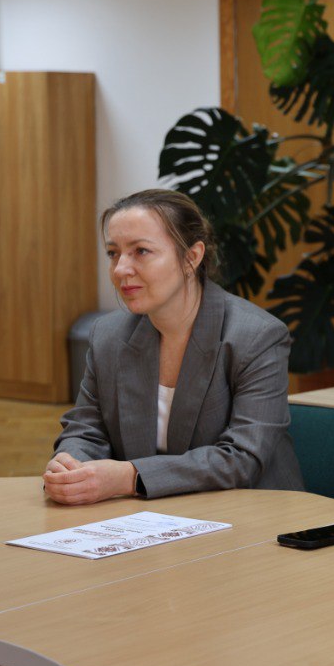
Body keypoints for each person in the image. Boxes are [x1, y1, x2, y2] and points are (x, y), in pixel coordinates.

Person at [44, 189, 303, 504]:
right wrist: (71, 465)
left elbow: (243, 458)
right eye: (113, 253)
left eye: (141, 251)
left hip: (253, 512)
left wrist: (129, 477)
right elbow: (85, 429)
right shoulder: (108, 335)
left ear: (191, 257)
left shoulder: (256, 336)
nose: (121, 269)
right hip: (148, 517)